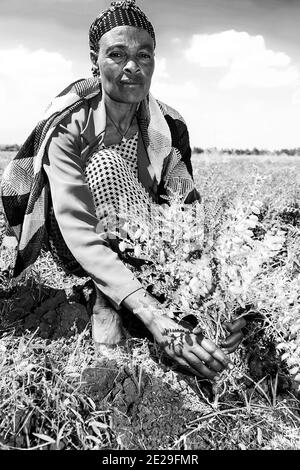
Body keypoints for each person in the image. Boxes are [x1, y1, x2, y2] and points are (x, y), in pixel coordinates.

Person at [1, 0, 246, 381]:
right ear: (94, 62)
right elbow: (77, 225)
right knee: (107, 164)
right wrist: (155, 317)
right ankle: (105, 305)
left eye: (143, 55)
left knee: (192, 234)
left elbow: (184, 214)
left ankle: (164, 300)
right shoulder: (70, 120)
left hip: (139, 234)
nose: (132, 66)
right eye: (117, 54)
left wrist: (212, 300)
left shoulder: (168, 125)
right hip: (70, 238)